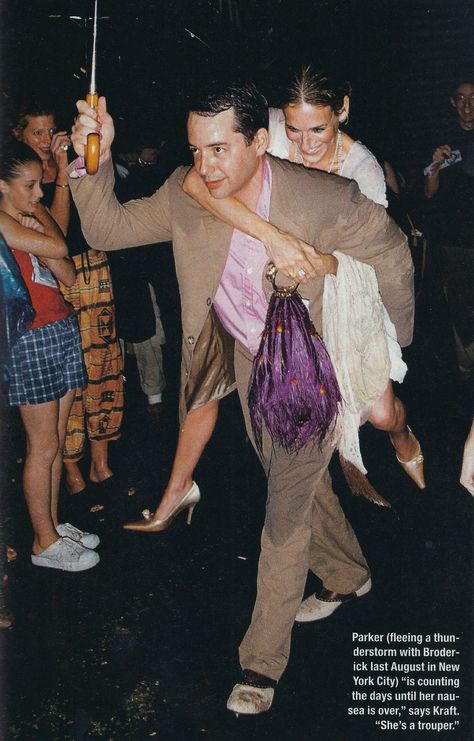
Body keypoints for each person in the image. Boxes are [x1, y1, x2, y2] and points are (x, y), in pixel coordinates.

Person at [68, 79, 414, 713]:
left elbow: (392, 251)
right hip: (255, 365)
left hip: (317, 368)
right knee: (295, 480)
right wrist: (91, 157)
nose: (205, 165)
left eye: (220, 149)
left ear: (259, 141)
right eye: (196, 149)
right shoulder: (187, 192)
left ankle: (260, 664)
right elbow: (108, 231)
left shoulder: (324, 198)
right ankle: (348, 574)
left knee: (283, 507)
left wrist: (391, 354)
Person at [123, 67, 423, 535]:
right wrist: (272, 235)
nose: (304, 145)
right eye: (294, 128)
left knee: (380, 413)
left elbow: (369, 262)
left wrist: (323, 263)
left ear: (341, 112)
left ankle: (403, 438)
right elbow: (198, 183)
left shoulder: (361, 171)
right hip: (283, 308)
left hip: (353, 296)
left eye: (318, 130)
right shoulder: (268, 138)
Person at [15, 104, 124, 495]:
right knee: (68, 379)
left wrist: (71, 166)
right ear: (20, 138)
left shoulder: (75, 162)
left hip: (92, 267)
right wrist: (60, 175)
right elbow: (57, 237)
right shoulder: (22, 183)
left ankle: (101, 462)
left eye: (50, 131)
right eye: (37, 134)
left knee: (102, 365)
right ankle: (72, 469)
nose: (47, 141)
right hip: (54, 279)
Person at [0, 142, 99, 571]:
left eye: (40, 185)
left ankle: (54, 527)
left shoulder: (25, 216)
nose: (38, 194)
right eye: (30, 186)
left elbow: (68, 273)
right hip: (30, 338)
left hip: (59, 324)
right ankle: (42, 542)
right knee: (41, 446)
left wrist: (37, 219)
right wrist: (40, 219)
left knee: (56, 440)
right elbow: (57, 250)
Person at [424, 79, 474, 379]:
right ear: (452, 102)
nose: (468, 104)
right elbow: (429, 192)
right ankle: (466, 365)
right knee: (460, 303)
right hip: (456, 240)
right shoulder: (441, 140)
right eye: (461, 98)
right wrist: (435, 165)